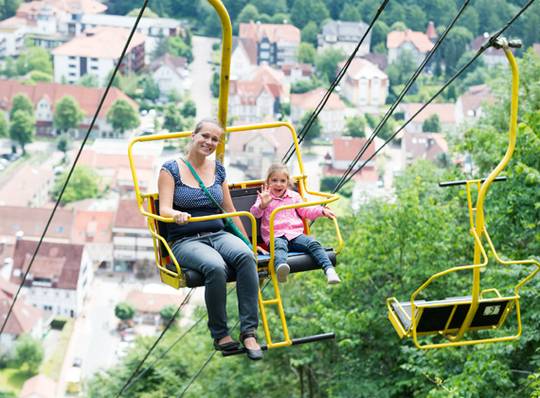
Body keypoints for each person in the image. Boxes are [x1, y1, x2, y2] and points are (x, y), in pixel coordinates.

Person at [158, 119, 263, 360]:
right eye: (205, 136)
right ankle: (220, 333)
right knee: (215, 266)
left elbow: (229, 209)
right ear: (193, 136)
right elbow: (164, 209)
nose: (209, 142)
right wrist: (177, 215)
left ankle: (249, 331)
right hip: (186, 240)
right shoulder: (170, 169)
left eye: (215, 139)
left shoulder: (218, 170)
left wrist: (247, 241)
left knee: (246, 257)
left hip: (218, 233)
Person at [250, 163, 341, 285]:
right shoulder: (265, 197)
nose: (278, 184)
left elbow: (306, 210)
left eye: (282, 181)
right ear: (268, 182)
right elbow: (255, 214)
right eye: (274, 180)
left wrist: (322, 211)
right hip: (275, 235)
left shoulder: (294, 197)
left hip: (295, 235)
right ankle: (281, 267)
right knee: (279, 247)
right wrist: (263, 205)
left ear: (288, 182)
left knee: (313, 243)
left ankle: (329, 270)